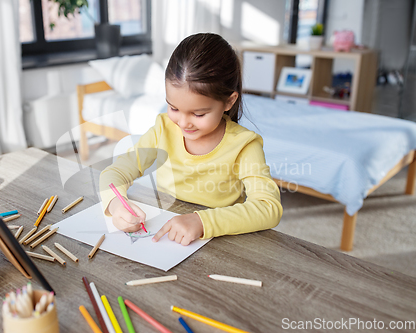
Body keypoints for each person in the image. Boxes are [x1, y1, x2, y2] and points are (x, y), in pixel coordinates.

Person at [99, 33, 283, 246]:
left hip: (221, 242)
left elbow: (268, 207)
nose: (184, 123)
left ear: (229, 101)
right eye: (174, 108)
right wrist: (115, 205)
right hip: (167, 235)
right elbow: (115, 172)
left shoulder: (244, 145)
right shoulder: (163, 129)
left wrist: (201, 221)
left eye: (198, 114)